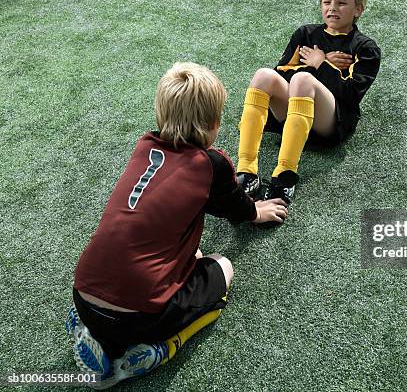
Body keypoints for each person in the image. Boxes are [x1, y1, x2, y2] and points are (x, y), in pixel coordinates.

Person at [66, 62, 288, 389]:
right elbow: (235, 208)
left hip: (83, 296)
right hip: (141, 318)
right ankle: (161, 348)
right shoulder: (211, 163)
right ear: (214, 123)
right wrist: (256, 212)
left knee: (175, 254)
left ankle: (92, 333)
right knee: (221, 267)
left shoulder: (144, 146)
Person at [236, 0, 381, 205]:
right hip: (291, 116)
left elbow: (350, 96)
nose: (332, 8)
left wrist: (322, 64)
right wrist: (316, 64)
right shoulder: (305, 34)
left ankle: (285, 175)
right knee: (263, 75)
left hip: (330, 125)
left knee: (303, 79)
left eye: (341, 3)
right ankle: (246, 170)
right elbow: (280, 76)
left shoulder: (365, 48)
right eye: (327, 2)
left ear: (359, 9)